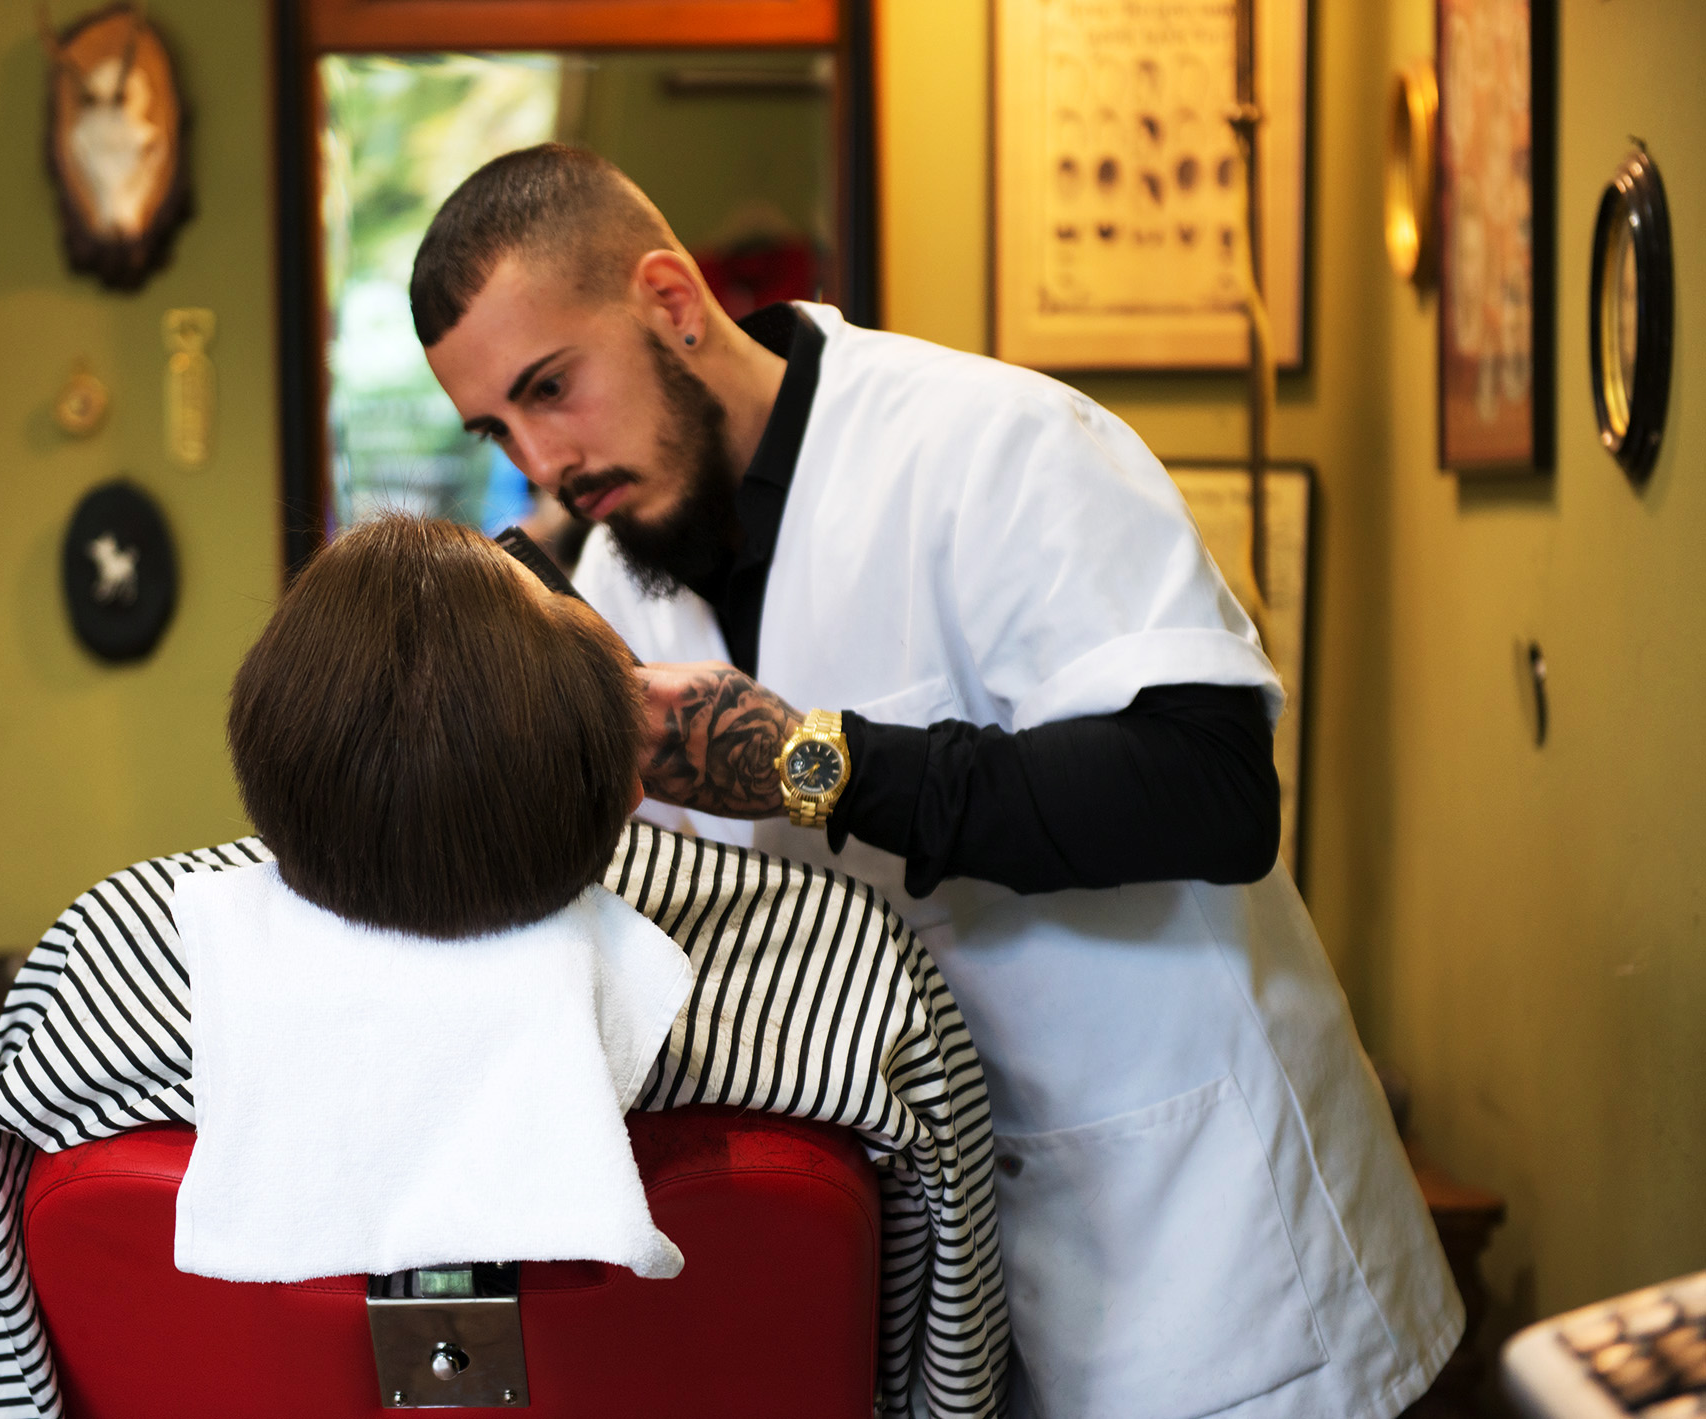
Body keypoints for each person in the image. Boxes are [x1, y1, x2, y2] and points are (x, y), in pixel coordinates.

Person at [411, 144, 1462, 1419]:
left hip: (1210, 1256)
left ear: (671, 303)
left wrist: (812, 760)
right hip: (939, 1283)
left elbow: (1209, 790)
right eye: (497, 429)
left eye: (550, 388)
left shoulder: (996, 447)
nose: (542, 460)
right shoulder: (621, 591)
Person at [0, 517, 1004, 1419]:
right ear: (627, 787)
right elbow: (947, 1375)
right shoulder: (842, 973)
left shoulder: (103, 964)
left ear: (268, 773)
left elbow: (0, 1374)